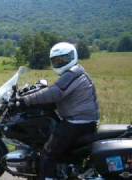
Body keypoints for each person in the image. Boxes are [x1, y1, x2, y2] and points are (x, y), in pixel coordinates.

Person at [16, 42, 100, 180]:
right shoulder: (76, 71)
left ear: (72, 56)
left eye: (63, 59)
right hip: (84, 120)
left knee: (48, 152)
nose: (60, 63)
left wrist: (25, 100)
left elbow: (55, 92)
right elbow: (57, 90)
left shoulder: (72, 74)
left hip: (77, 122)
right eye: (56, 60)